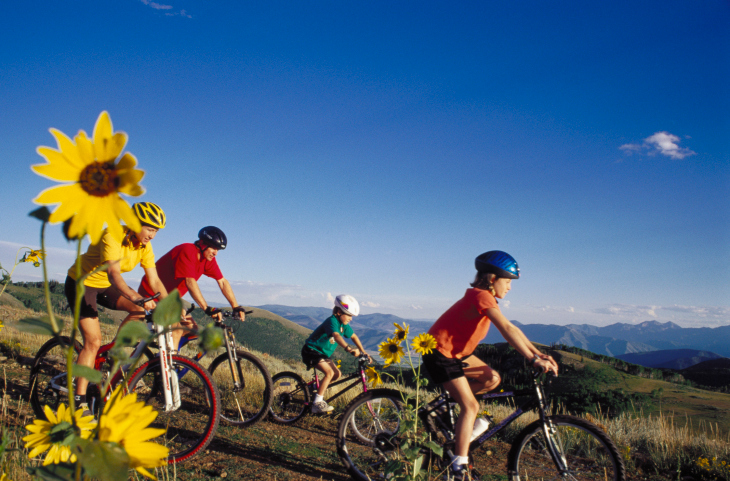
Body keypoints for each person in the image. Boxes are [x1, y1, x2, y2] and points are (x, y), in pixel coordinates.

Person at [422, 251, 559, 480]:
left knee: (492, 379)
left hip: (456, 354)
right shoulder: (481, 295)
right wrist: (532, 359)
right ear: (492, 278)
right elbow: (506, 330)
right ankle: (458, 467)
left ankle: (441, 407)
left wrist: (539, 353)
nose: (510, 287)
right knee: (471, 407)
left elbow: (513, 329)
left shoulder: (485, 297)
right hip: (440, 353)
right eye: (508, 281)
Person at [63, 202, 168, 415]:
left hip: (104, 286)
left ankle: (113, 353)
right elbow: (113, 273)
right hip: (81, 283)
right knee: (93, 342)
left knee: (138, 312)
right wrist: (136, 296)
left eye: (156, 230)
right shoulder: (112, 234)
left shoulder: (144, 246)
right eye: (149, 229)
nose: (153, 235)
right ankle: (79, 401)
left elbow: (155, 280)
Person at [138, 226, 246, 350]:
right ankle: (168, 363)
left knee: (192, 330)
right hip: (152, 295)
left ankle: (169, 357)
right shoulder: (187, 250)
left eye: (218, 250)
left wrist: (235, 306)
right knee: (177, 329)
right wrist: (206, 308)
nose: (216, 253)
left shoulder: (207, 259)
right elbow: (190, 281)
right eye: (213, 248)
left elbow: (222, 281)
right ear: (202, 244)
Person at [301, 294, 372, 414]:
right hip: (311, 351)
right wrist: (349, 349)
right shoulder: (332, 321)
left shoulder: (343, 325)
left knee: (337, 374)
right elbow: (336, 335)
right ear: (339, 312)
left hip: (321, 354)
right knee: (329, 373)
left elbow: (354, 336)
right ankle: (317, 403)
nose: (351, 318)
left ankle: (313, 390)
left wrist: (363, 351)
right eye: (349, 315)